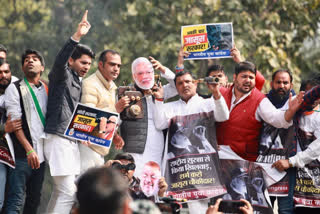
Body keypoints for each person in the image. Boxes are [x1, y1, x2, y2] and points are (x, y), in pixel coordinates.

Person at [153, 70, 229, 214]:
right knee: (173, 209)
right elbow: (159, 124)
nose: (185, 85)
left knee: (199, 210)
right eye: (180, 83)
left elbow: (223, 116)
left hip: (202, 169)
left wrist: (217, 93)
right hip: (177, 170)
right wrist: (158, 100)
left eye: (188, 81)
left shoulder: (207, 103)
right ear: (176, 88)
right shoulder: (170, 106)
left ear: (195, 83)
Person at [44, 11, 95, 214]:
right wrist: (77, 37)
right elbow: (59, 61)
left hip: (70, 141)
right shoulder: (62, 75)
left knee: (59, 192)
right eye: (83, 63)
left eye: (89, 65)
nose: (86, 67)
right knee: (69, 193)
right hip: (57, 139)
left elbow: (77, 114)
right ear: (72, 61)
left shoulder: (78, 82)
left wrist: (84, 133)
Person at [216, 61, 304, 162]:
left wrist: (290, 111)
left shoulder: (259, 100)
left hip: (243, 164)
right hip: (217, 160)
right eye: (244, 76)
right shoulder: (221, 93)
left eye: (251, 78)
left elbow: (278, 119)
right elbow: (206, 119)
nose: (248, 80)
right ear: (235, 77)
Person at [4, 49, 47, 214]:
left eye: (35, 59)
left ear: (42, 67)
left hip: (42, 156)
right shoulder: (14, 88)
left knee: (34, 200)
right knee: (15, 200)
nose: (30, 61)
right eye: (26, 59)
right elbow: (15, 125)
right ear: (22, 68)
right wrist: (29, 149)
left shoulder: (46, 88)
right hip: (22, 155)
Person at [120, 57, 178, 177]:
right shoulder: (126, 94)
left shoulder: (158, 90)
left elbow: (177, 87)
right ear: (134, 76)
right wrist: (115, 136)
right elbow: (116, 117)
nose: (145, 76)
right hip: (134, 146)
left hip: (156, 144)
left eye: (148, 72)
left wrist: (163, 69)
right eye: (140, 73)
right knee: (135, 179)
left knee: (154, 179)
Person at [80, 49, 128, 173]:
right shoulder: (89, 84)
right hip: (87, 147)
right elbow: (87, 119)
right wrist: (116, 109)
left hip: (100, 147)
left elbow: (105, 115)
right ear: (101, 65)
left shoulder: (112, 86)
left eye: (118, 65)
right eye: (112, 64)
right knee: (85, 189)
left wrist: (115, 135)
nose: (116, 68)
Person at [0, 59, 21, 212]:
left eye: (6, 72)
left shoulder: (16, 89)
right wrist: (3, 128)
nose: (3, 75)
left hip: (15, 155)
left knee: (13, 199)